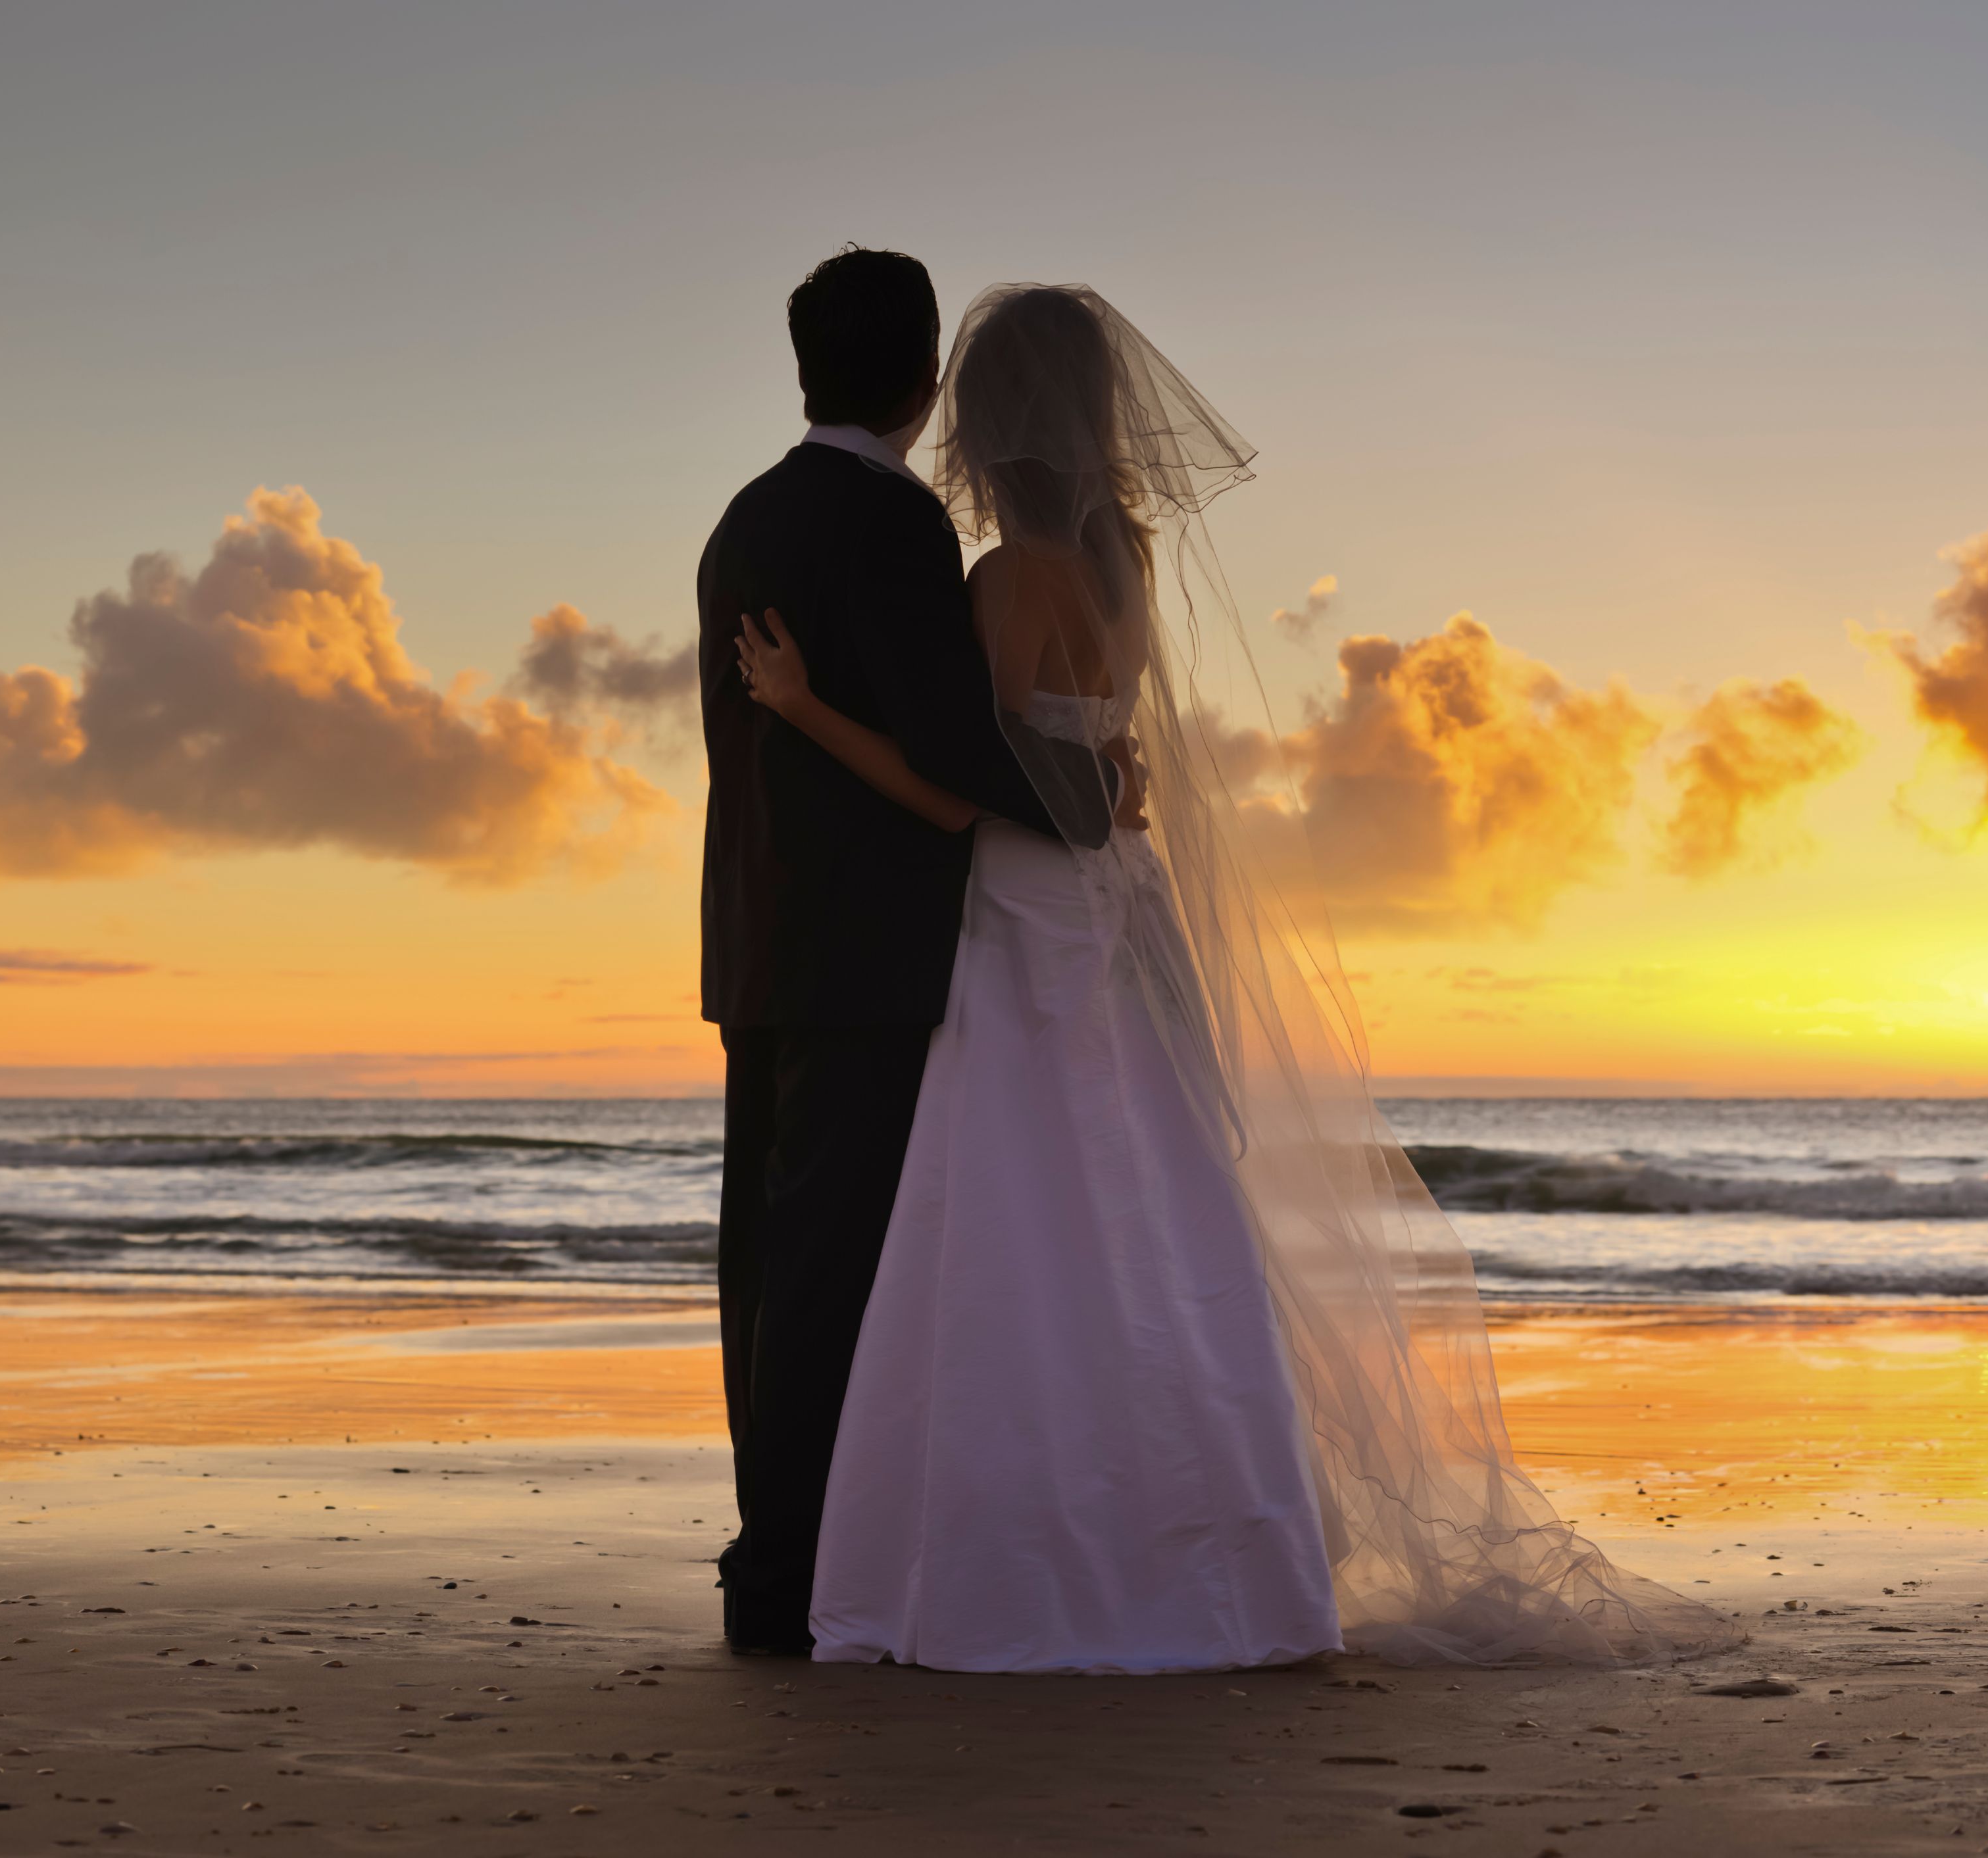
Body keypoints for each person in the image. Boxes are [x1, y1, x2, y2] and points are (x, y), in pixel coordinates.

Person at [728, 281, 1737, 1673]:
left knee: (1019, 1221)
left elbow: (968, 794)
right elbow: (1093, 759)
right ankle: (1214, 1534)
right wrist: (1106, 770)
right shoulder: (1125, 560)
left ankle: (1017, 1552)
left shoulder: (1009, 580)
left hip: (1029, 914)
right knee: (1148, 1203)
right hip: (1119, 909)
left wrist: (804, 709)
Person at [690, 247, 1116, 1657]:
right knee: (833, 1268)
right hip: (873, 960)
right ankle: (795, 1570)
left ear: (804, 369)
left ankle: (775, 1555)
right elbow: (957, 745)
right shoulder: (896, 529)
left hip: (759, 947)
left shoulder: (743, 519)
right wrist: (1094, 798)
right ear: (924, 381)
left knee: (761, 1255)